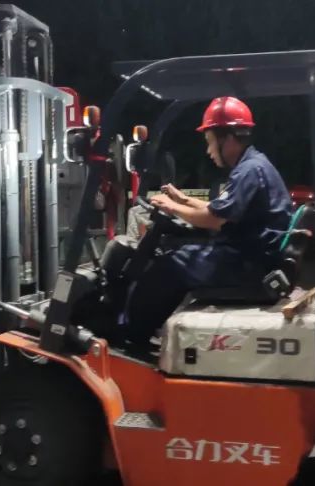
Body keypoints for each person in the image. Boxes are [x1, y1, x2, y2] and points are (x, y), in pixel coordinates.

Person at [121, 96, 293, 347]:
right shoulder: (254, 165)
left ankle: (131, 335)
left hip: (246, 263)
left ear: (228, 138)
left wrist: (171, 207)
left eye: (210, 142)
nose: (209, 151)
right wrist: (182, 200)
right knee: (178, 256)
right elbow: (220, 209)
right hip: (250, 256)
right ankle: (153, 330)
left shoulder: (249, 171)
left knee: (168, 266)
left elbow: (216, 219)